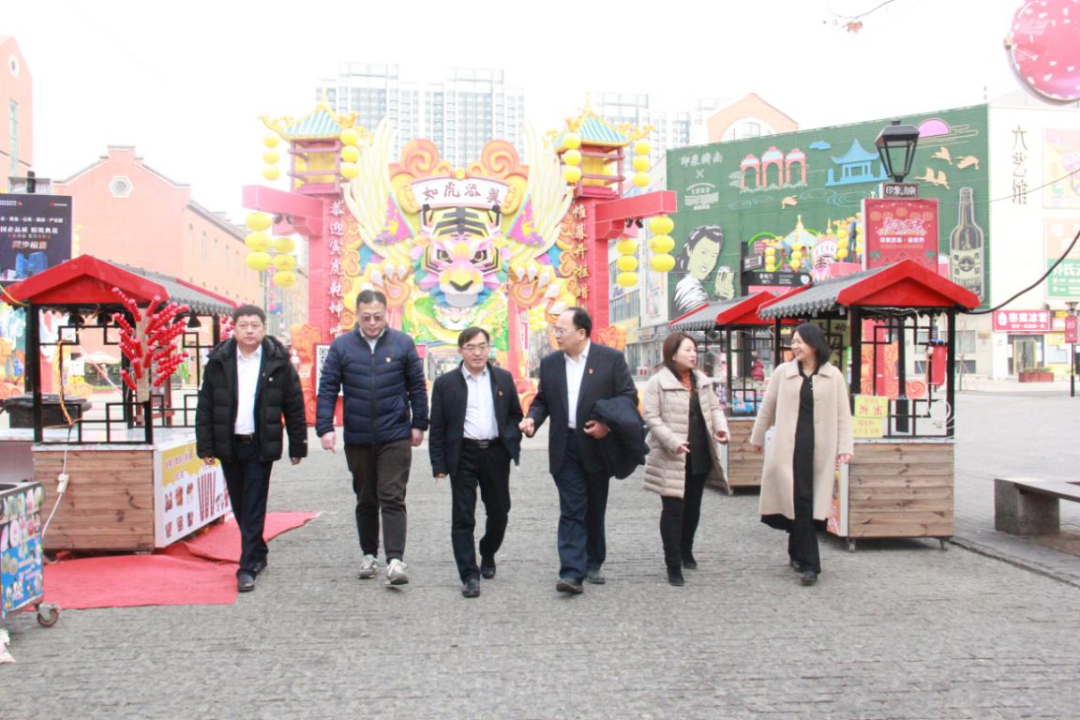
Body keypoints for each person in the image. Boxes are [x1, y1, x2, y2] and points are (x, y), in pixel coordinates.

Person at [519, 307, 640, 595]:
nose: (557, 335)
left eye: (562, 330)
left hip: (597, 444)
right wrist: (533, 418)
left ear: (582, 333)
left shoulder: (609, 359)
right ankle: (572, 573)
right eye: (556, 330)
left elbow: (628, 397)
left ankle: (594, 559)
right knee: (572, 507)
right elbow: (543, 400)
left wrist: (607, 425)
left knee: (594, 506)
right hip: (565, 446)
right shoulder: (550, 364)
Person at [316, 289, 429, 586]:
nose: (372, 323)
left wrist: (419, 423)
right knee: (365, 497)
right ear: (357, 315)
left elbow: (417, 387)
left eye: (378, 317)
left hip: (395, 434)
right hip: (358, 436)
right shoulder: (342, 347)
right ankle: (369, 554)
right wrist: (325, 427)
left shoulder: (402, 343)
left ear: (386, 314)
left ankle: (395, 560)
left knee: (392, 495)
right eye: (366, 317)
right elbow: (328, 388)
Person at [195, 304, 307, 593]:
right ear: (233, 328)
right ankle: (258, 550)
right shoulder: (219, 361)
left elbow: (294, 404)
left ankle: (246, 567)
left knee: (254, 502)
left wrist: (298, 444)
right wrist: (205, 445)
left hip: (260, 443)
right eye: (243, 325)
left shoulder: (277, 361)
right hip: (228, 443)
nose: (249, 331)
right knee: (240, 504)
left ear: (263, 328)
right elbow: (206, 405)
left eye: (254, 325)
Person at [749, 323, 853, 586]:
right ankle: (810, 565)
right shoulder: (783, 373)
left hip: (819, 449)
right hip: (787, 448)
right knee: (798, 500)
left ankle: (797, 551)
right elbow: (767, 406)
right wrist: (757, 437)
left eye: (799, 342)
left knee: (805, 501)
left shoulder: (833, 376)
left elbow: (843, 415)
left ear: (814, 345)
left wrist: (845, 448)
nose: (794, 346)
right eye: (793, 341)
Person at [429, 327, 523, 598]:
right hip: (463, 454)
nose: (478, 352)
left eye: (482, 346)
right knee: (463, 516)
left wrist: (511, 440)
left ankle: (488, 551)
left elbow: (515, 415)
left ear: (489, 348)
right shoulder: (446, 384)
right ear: (461, 351)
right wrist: (439, 466)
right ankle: (469, 574)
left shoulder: (503, 379)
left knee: (500, 511)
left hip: (495, 453)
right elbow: (438, 428)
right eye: (471, 347)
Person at [642, 333, 729, 586]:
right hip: (670, 454)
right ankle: (672, 564)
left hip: (699, 450)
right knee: (673, 509)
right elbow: (651, 417)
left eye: (694, 350)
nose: (693, 354)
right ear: (672, 354)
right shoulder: (657, 382)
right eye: (687, 350)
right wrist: (673, 441)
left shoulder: (701, 380)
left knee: (693, 507)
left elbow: (714, 408)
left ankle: (686, 549)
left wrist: (721, 428)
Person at [673, 225, 724, 314]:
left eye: (714, 256)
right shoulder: (689, 286)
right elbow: (703, 317)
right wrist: (723, 299)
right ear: (689, 249)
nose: (708, 261)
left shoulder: (688, 284)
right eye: (703, 252)